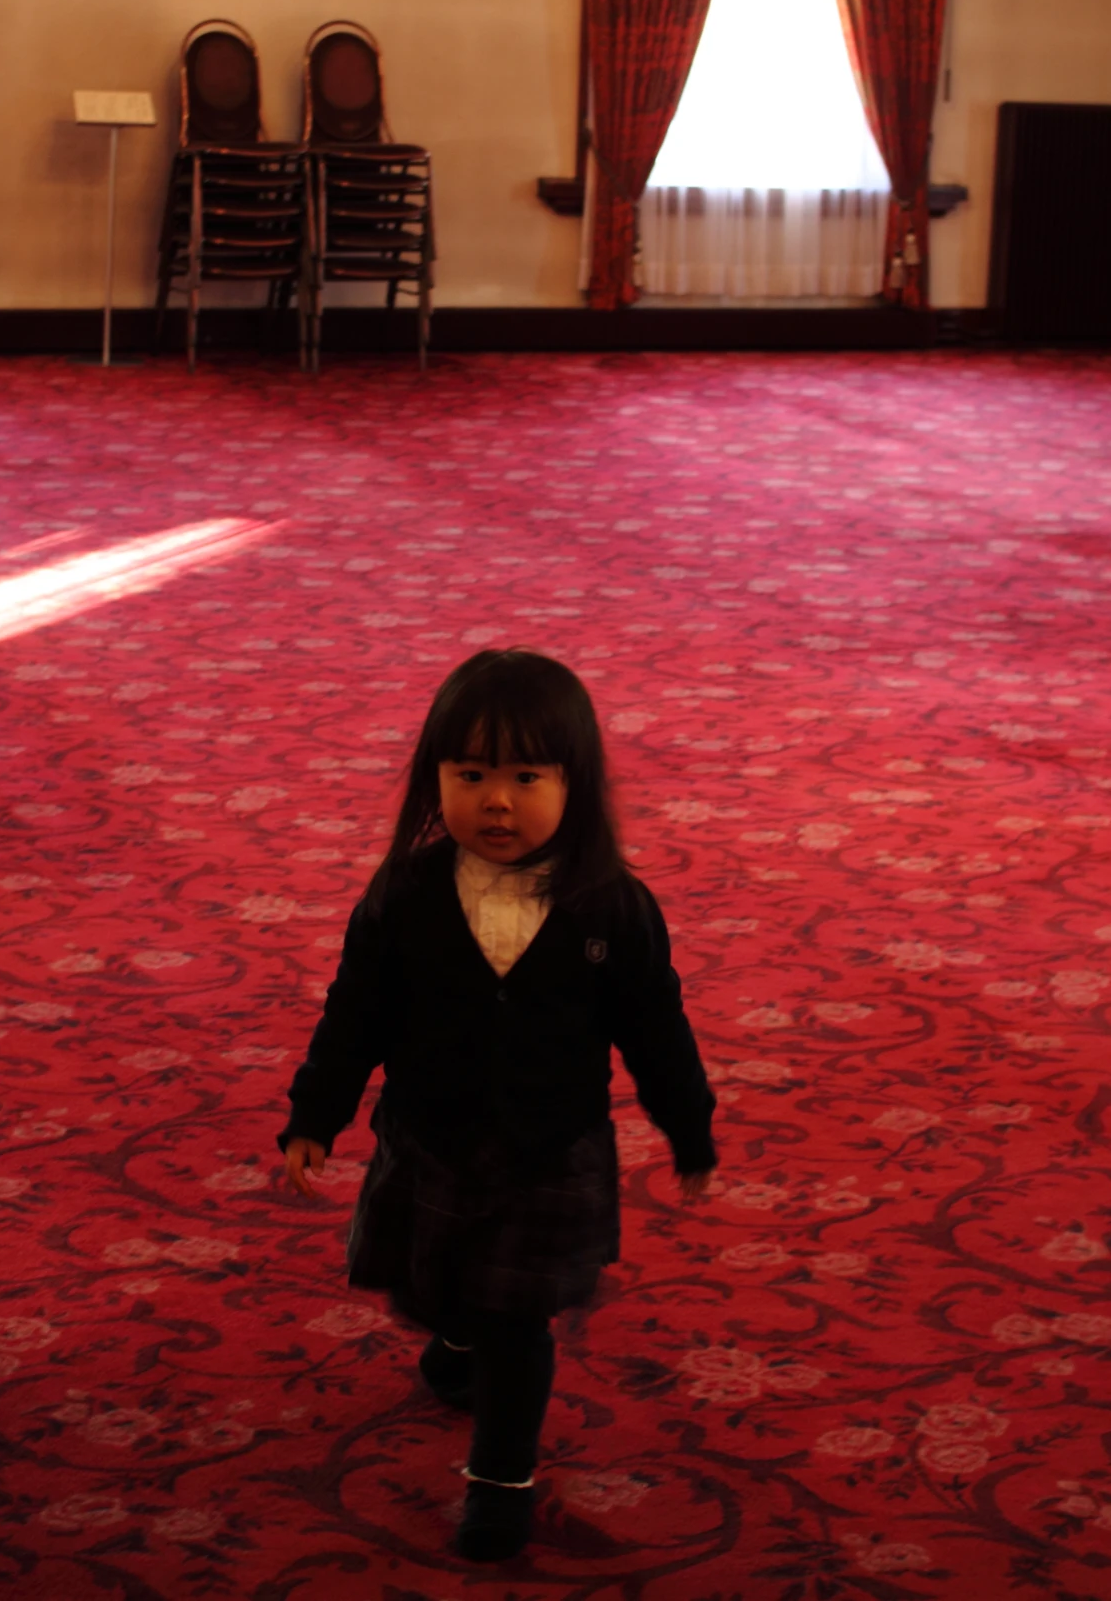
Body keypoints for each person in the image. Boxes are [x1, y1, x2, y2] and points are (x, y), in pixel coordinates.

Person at [279, 647, 716, 1564]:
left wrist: (688, 1125)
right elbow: (354, 1012)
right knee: (427, 1286)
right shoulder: (402, 897)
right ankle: (452, 1337)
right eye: (470, 774)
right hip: (429, 1137)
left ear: (576, 783)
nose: (498, 801)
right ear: (433, 777)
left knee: (519, 1321)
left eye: (526, 776)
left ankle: (499, 1483)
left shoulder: (612, 908)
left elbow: (655, 1028)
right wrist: (315, 1115)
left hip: (549, 1150)